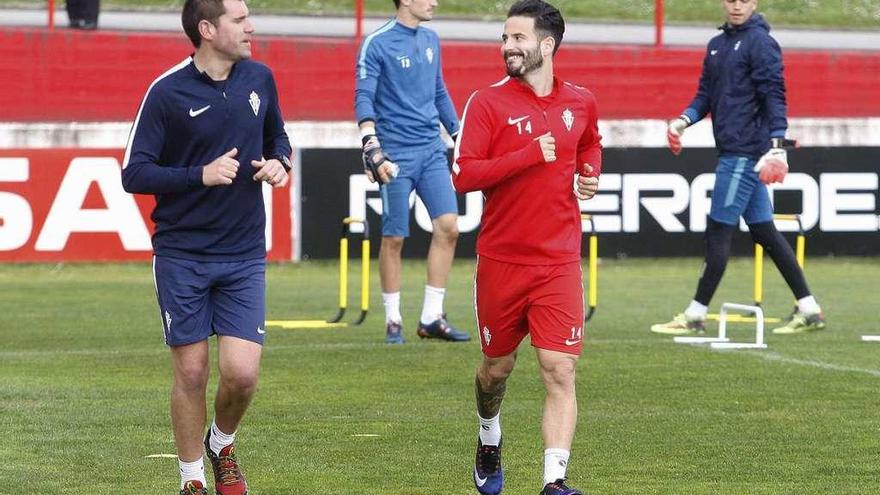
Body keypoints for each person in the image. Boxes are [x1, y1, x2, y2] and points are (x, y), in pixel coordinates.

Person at [121, 0, 292, 493]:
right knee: (192, 372)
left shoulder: (260, 78)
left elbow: (278, 136)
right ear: (206, 29)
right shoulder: (167, 92)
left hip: (242, 254)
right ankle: (192, 478)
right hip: (182, 255)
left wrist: (280, 162)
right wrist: (201, 174)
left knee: (241, 376)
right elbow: (135, 172)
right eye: (239, 20)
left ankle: (222, 444)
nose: (250, 27)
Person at [452, 1, 601, 493]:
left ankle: (554, 481)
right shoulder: (487, 102)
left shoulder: (580, 100)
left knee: (559, 369)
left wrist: (589, 173)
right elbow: (464, 174)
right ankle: (488, 433)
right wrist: (528, 154)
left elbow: (590, 143)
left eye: (517, 38)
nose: (508, 47)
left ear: (547, 44)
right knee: (496, 370)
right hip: (502, 261)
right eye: (504, 38)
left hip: (558, 261)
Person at [650, 0, 826, 336]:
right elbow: (705, 95)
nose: (736, 5)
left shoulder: (761, 42)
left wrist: (778, 144)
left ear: (754, 3)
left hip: (743, 154)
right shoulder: (717, 45)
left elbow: (774, 94)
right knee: (764, 232)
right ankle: (809, 308)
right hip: (735, 150)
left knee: (718, 231)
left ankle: (695, 314)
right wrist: (682, 120)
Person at [354, 0, 470, 344]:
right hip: (395, 154)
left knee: (449, 228)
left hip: (432, 150)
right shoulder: (377, 42)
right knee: (394, 237)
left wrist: (459, 134)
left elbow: (439, 91)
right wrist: (370, 142)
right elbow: (364, 96)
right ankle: (393, 319)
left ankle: (432, 317)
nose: (434, 2)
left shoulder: (432, 39)